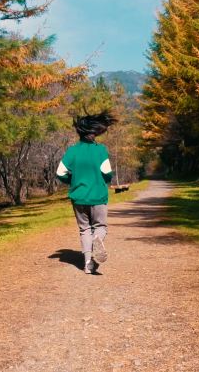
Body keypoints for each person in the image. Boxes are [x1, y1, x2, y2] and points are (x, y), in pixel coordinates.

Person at [56, 110, 117, 274]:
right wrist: (101, 180)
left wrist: (73, 181)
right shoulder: (100, 150)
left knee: (84, 229)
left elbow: (60, 173)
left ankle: (88, 263)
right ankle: (98, 240)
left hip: (78, 197)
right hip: (98, 196)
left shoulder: (72, 151)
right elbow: (107, 173)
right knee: (100, 227)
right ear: (96, 132)